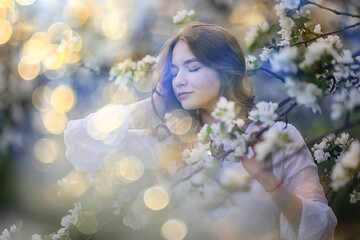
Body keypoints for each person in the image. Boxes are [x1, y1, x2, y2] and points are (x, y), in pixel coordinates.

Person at [64, 22, 337, 239]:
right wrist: (153, 104)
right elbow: (82, 141)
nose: (179, 80)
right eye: (174, 72)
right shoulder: (168, 142)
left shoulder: (277, 137)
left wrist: (270, 182)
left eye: (192, 67)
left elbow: (318, 228)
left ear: (226, 71)